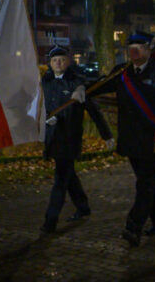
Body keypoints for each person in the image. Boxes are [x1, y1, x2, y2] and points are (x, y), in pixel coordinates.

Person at [92, 31, 155, 247]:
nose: (133, 49)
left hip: (154, 140)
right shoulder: (121, 72)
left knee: (145, 185)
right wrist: (81, 89)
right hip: (131, 140)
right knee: (148, 184)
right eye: (130, 45)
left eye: (139, 45)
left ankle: (134, 226)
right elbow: (99, 86)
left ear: (149, 48)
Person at [40, 46, 114, 233]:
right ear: (50, 63)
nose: (58, 63)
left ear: (68, 62)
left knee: (60, 179)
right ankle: (83, 207)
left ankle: (50, 220)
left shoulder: (77, 84)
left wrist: (107, 135)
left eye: (62, 59)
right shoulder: (44, 83)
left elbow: (94, 111)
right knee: (68, 175)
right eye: (54, 60)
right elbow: (37, 107)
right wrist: (44, 119)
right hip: (53, 137)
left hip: (69, 138)